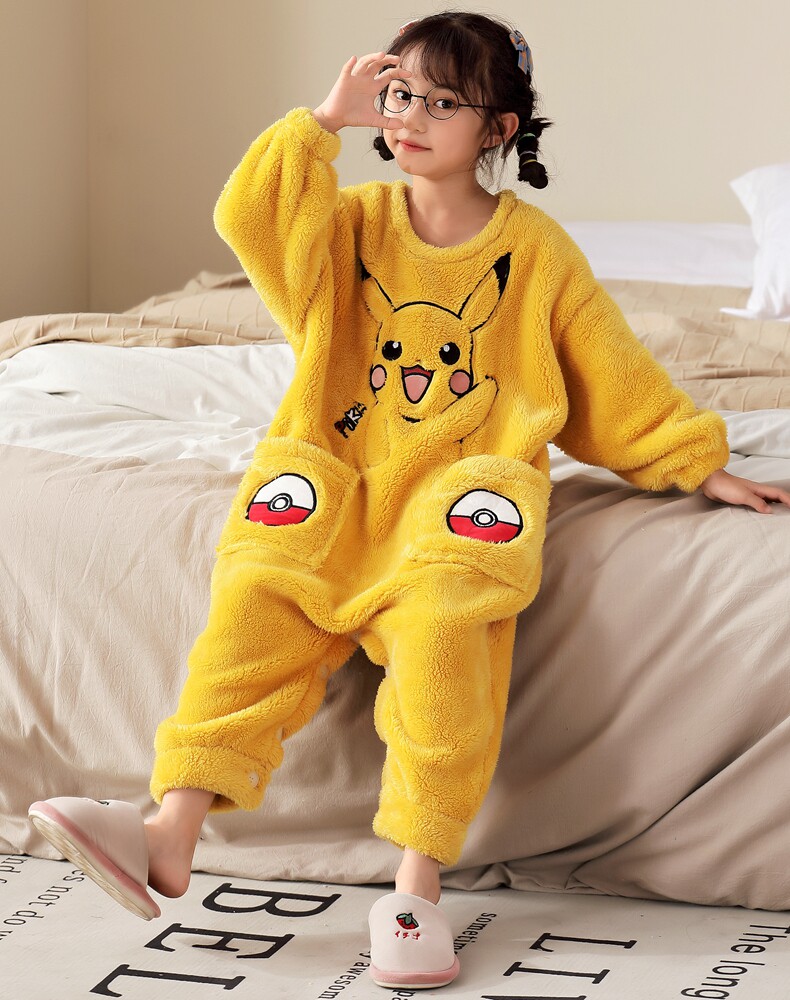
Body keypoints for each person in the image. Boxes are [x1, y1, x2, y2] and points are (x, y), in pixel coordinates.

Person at [28, 10, 790, 992]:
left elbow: (608, 372)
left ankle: (413, 891)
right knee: (256, 598)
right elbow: (249, 220)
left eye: (442, 102)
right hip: (333, 472)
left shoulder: (537, 253)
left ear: (498, 127)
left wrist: (695, 461)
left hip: (465, 488)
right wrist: (319, 124)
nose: (411, 118)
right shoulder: (347, 225)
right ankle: (168, 830)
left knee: (444, 638)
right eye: (399, 97)